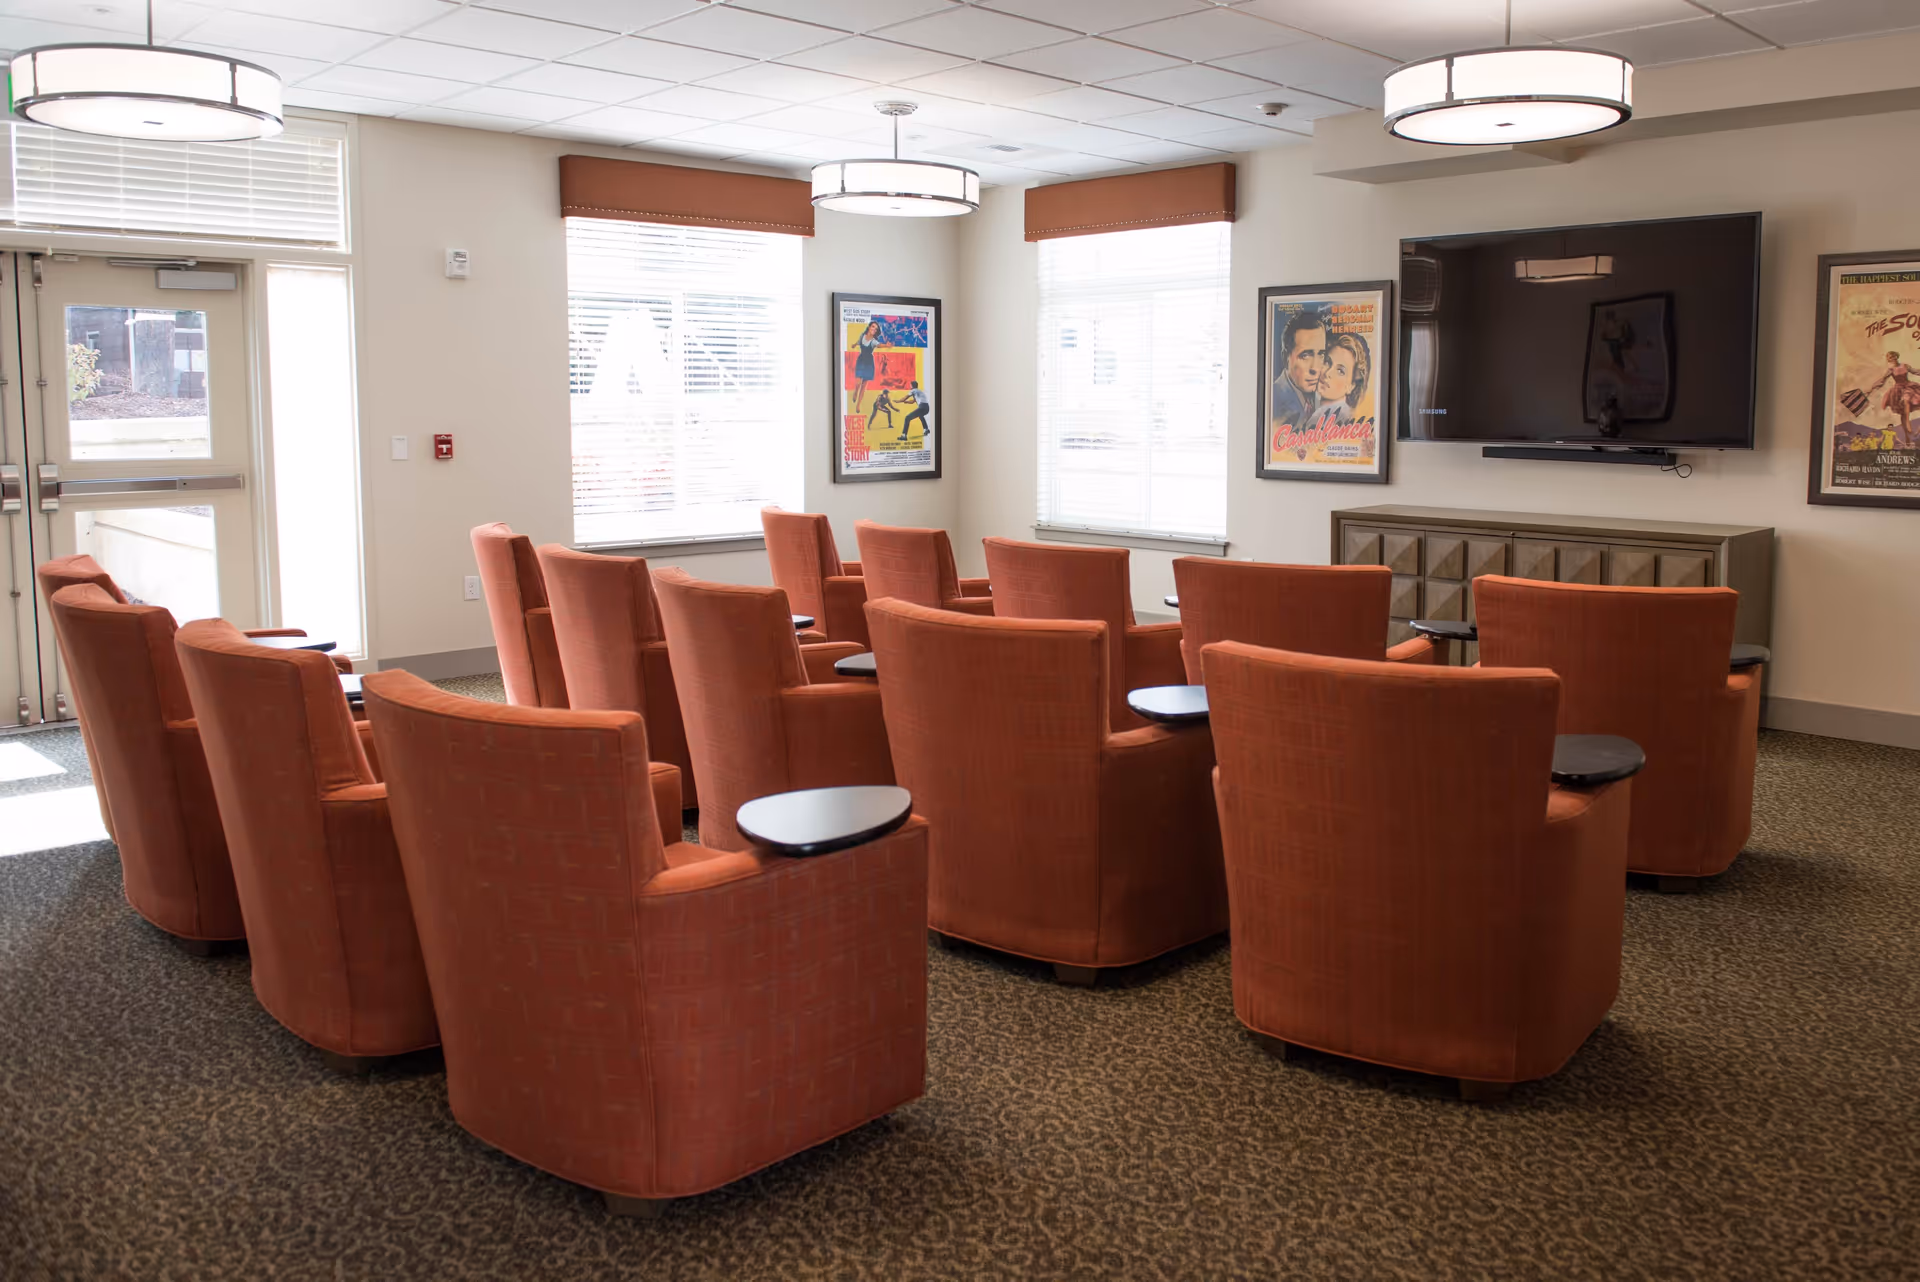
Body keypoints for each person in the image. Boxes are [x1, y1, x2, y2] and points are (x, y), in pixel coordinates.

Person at [1270, 307, 1327, 435]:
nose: (1315, 368)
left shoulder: (1322, 397)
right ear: (1286, 358)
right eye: (1305, 355)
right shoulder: (1273, 401)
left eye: (1321, 354)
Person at [1311, 331, 1371, 426]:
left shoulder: (1342, 419)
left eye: (1340, 371)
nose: (1328, 373)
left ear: (1351, 386)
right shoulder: (1320, 413)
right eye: (1327, 362)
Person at [1866, 349, 1920, 447]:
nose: (1891, 359)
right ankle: (1907, 436)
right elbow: (1882, 381)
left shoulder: (1905, 366)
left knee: (1906, 399)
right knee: (1902, 413)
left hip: (1908, 386)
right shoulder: (1891, 370)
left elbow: (1916, 372)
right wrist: (1871, 389)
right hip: (1898, 390)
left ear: (1896, 356)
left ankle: (1908, 423)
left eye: (1892, 356)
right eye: (1889, 358)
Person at [851, 320, 882, 418]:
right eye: (873, 327)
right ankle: (855, 391)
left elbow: (879, 345)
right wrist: (854, 344)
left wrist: (887, 345)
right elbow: (859, 342)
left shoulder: (874, 341)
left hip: (869, 363)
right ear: (869, 327)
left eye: (876, 329)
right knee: (858, 383)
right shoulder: (862, 336)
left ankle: (858, 404)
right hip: (861, 361)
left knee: (864, 386)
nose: (874, 329)